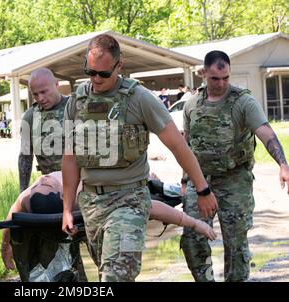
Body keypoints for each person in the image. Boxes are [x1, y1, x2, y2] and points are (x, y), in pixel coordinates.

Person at [61, 34, 217, 282]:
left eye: (103, 73)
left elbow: (178, 145)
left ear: (119, 66)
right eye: (90, 72)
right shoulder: (78, 101)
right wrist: (67, 208)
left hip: (129, 200)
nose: (96, 79)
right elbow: (70, 158)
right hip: (91, 203)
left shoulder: (139, 99)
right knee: (106, 274)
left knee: (115, 277)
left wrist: (203, 188)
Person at [180, 50, 289, 282]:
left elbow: (265, 133)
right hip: (200, 180)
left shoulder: (243, 102)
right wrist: (184, 180)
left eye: (225, 78)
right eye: (215, 79)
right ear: (204, 74)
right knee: (192, 239)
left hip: (234, 180)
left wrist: (283, 164)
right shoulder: (191, 105)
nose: (221, 84)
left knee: (235, 244)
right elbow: (187, 147)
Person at [1, 172, 215, 281]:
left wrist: (194, 223)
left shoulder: (90, 192)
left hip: (106, 201)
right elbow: (12, 218)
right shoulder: (27, 199)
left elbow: (150, 207)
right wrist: (5, 246)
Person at [18, 67, 68, 192]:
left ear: (56, 84)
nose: (40, 98)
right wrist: (23, 190)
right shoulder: (30, 116)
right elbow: (25, 156)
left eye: (44, 92)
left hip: (79, 185)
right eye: (35, 94)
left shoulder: (75, 108)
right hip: (50, 186)